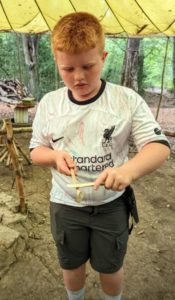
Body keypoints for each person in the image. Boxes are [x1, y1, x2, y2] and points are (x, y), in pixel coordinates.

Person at [29, 12, 170, 300]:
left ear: (103, 57)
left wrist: (127, 171)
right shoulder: (50, 104)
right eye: (68, 69)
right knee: (71, 262)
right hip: (66, 203)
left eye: (88, 66)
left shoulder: (125, 100)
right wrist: (54, 158)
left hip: (111, 205)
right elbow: (36, 150)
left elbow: (159, 146)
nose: (78, 77)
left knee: (111, 265)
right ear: (57, 62)